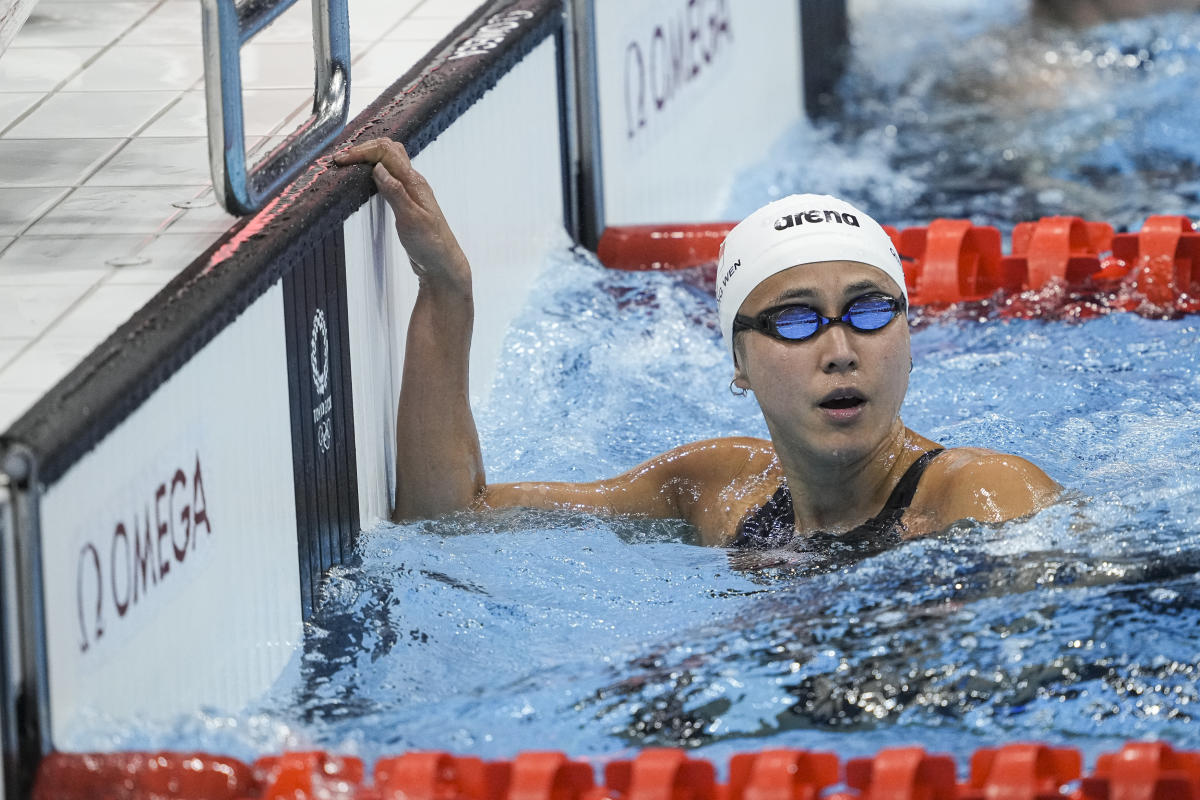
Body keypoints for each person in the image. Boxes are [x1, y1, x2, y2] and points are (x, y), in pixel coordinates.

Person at [332, 139, 1061, 549]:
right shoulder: (718, 489)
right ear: (738, 364)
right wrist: (446, 291)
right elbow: (449, 519)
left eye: (869, 312)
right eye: (796, 321)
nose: (841, 349)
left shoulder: (981, 495)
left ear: (908, 333)